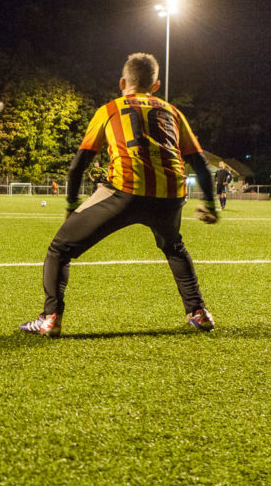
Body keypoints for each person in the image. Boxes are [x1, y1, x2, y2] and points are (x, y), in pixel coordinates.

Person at [20, 52, 219, 336]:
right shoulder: (172, 111)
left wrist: (71, 206)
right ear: (156, 85)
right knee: (173, 247)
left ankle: (50, 319)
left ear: (122, 81)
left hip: (125, 190)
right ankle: (199, 313)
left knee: (60, 249)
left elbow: (79, 165)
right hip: (171, 194)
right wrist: (210, 204)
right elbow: (200, 162)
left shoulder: (110, 109)